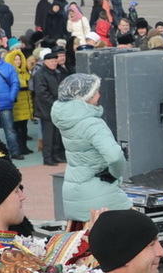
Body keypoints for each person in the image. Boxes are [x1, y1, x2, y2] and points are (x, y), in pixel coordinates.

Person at [54, 73, 129, 223]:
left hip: (73, 191)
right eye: (95, 92)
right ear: (85, 97)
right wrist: (115, 174)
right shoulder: (92, 123)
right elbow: (114, 156)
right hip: (100, 195)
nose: (99, 95)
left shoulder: (67, 119)